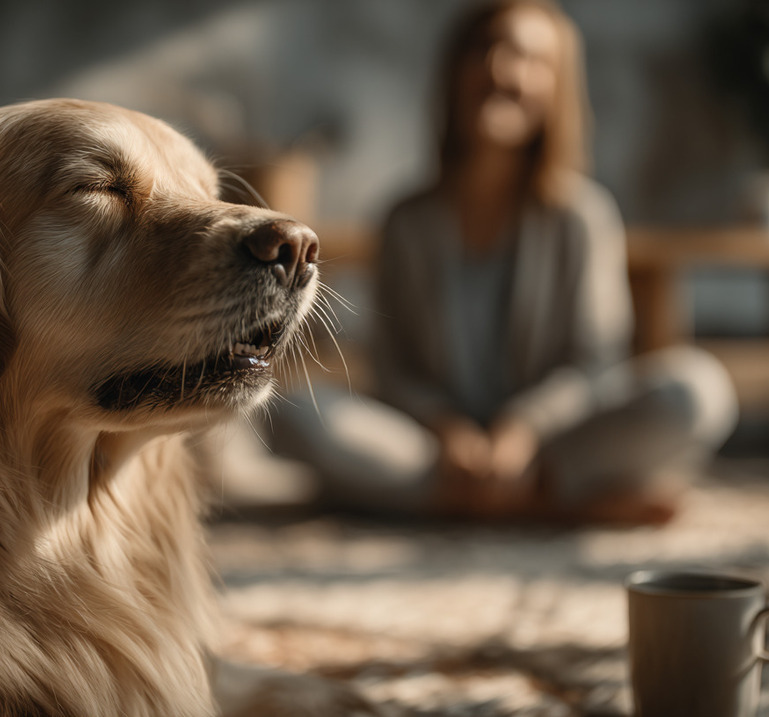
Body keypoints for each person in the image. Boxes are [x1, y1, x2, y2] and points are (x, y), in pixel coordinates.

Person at [270, 0, 737, 525]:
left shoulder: (583, 217)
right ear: (453, 74)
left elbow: (593, 364)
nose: (499, 69)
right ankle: (558, 506)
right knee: (291, 411)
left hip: (554, 442)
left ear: (557, 89)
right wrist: (449, 430)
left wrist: (522, 431)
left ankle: (471, 501)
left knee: (697, 392)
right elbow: (395, 370)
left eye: (527, 58)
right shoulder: (405, 221)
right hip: (437, 450)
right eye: (483, 49)